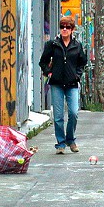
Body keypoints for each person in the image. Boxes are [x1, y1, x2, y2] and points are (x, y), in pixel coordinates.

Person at [39, 16, 87, 154]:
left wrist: (77, 75)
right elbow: (43, 62)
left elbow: (82, 63)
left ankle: (70, 140)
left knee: (73, 112)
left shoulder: (77, 45)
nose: (64, 29)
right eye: (62, 27)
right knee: (58, 116)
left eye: (68, 27)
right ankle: (60, 143)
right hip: (57, 83)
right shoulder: (52, 45)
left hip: (72, 83)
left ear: (72, 29)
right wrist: (49, 72)